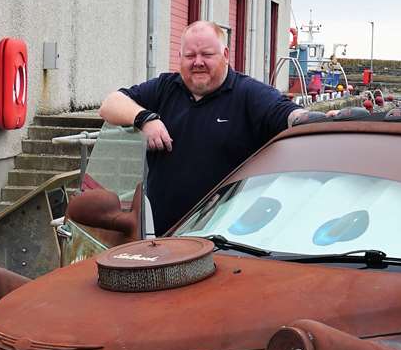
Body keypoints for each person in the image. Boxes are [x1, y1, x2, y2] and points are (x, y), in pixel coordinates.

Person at [98, 20, 321, 231]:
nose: (198, 62)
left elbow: (287, 114)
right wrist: (145, 118)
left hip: (226, 239)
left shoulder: (249, 94)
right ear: (179, 57)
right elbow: (110, 104)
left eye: (206, 54)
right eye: (190, 55)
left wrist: (315, 119)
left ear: (225, 55)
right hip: (165, 236)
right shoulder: (164, 88)